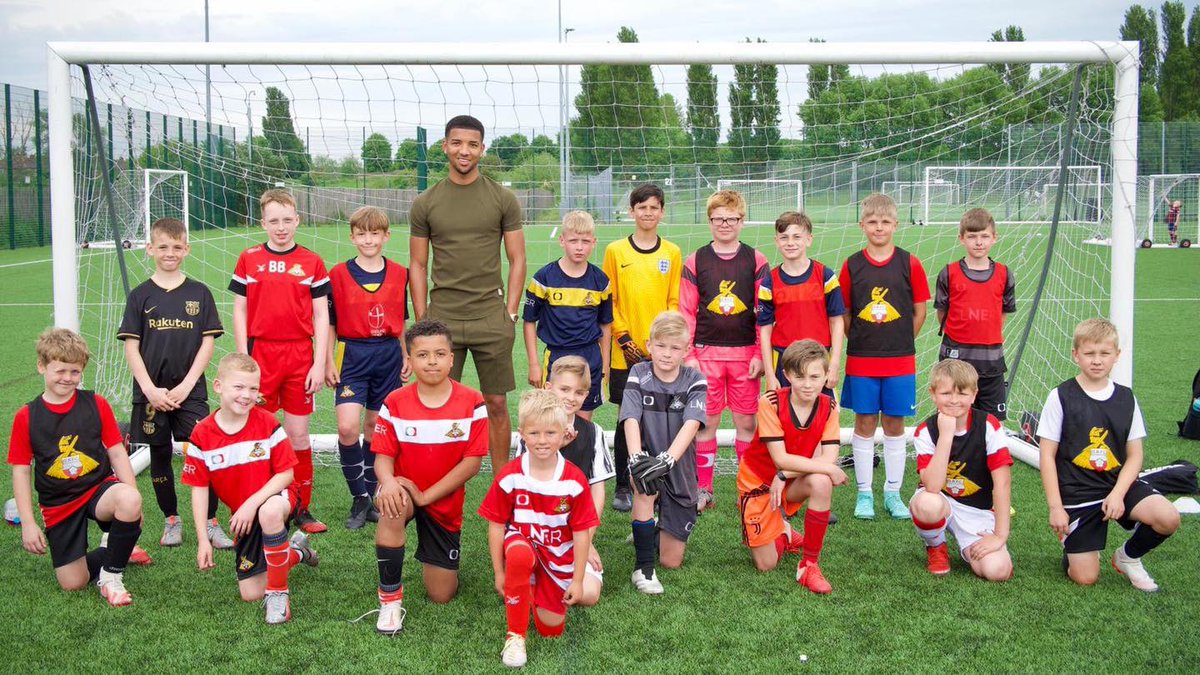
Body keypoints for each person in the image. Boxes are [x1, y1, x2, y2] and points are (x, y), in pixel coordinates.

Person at [409, 114, 526, 475]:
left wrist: (509, 312)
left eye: (472, 144)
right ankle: (443, 475)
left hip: (490, 316)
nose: (464, 150)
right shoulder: (425, 202)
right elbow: (417, 264)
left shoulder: (502, 198)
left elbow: (517, 258)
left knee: (495, 402)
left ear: (482, 149)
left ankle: (503, 480)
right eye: (457, 143)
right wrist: (422, 319)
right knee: (442, 403)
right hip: (441, 317)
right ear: (445, 146)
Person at [1037, 318, 1180, 591]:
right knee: (1085, 577)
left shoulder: (1126, 398)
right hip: (1078, 492)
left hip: (1117, 485)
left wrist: (1117, 493)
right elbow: (1046, 455)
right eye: (1089, 353)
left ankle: (1128, 556)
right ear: (1075, 355)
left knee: (1168, 517)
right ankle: (1074, 546)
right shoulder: (1061, 396)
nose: (1097, 360)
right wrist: (1056, 507)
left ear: (1117, 355)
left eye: (1104, 353)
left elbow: (1135, 455)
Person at [118, 217, 232, 550]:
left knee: (203, 453)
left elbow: (208, 344)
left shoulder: (199, 292)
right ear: (150, 248)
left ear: (187, 249)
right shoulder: (140, 296)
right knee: (160, 454)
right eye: (163, 247)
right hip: (150, 393)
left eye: (177, 247)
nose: (170, 253)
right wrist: (150, 389)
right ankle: (171, 519)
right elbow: (131, 347)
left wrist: (187, 385)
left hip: (190, 391)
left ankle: (210, 522)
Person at [9, 328, 145, 606]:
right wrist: (29, 523)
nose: (67, 378)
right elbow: (21, 470)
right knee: (74, 583)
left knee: (129, 498)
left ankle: (111, 577)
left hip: (98, 488)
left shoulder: (96, 404)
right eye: (60, 371)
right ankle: (117, 547)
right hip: (59, 502)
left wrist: (136, 501)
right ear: (41, 367)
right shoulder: (27, 416)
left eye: (74, 372)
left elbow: (118, 454)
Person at [369, 319, 488, 634]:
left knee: (441, 595)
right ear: (408, 360)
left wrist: (426, 496)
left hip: (443, 502)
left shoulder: (473, 401)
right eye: (422, 355)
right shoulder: (395, 403)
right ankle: (390, 602)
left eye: (439, 354)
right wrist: (390, 482)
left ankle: (443, 564)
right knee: (391, 505)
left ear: (452, 358)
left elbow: (472, 464)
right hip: (405, 492)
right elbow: (383, 459)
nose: (431, 361)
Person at [184, 353, 319, 624]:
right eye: (239, 387)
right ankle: (295, 552)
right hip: (245, 515)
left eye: (253, 388)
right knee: (250, 593)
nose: (247, 395)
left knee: (268, 513)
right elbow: (199, 489)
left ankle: (279, 594)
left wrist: (250, 505)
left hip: (276, 497)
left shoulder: (267, 422)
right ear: (218, 386)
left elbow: (286, 474)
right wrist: (202, 539)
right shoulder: (202, 435)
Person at [230, 188, 330, 533]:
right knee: (263, 432)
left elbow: (321, 315)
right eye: (274, 221)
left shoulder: (312, 261)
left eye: (288, 220)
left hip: (300, 355)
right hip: (261, 356)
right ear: (263, 223)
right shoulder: (249, 259)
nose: (281, 227)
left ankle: (301, 508)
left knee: (298, 435)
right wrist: (244, 356)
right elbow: (240, 309)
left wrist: (318, 363)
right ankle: (264, 503)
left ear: (298, 221)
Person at [479, 389, 600, 668]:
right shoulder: (510, 476)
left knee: (550, 630)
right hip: (523, 544)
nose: (542, 441)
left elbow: (582, 532)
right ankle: (515, 636)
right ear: (521, 433)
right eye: (534, 433)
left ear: (563, 434)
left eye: (550, 433)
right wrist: (499, 572)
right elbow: (496, 524)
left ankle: (527, 590)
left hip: (557, 557)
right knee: (520, 556)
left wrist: (578, 579)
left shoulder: (574, 480)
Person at [839, 193, 929, 521]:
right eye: (873, 222)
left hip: (900, 359)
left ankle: (892, 492)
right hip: (862, 358)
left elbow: (919, 311)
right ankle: (865, 493)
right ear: (862, 225)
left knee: (894, 423)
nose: (879, 228)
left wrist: (901, 339)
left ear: (895, 224)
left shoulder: (910, 262)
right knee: (863, 422)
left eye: (885, 222)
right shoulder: (852, 264)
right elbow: (845, 312)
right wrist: (862, 339)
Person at [681, 189, 769, 512]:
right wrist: (689, 354)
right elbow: (686, 311)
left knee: (747, 424)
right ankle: (704, 489)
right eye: (718, 219)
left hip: (746, 355)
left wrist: (760, 353)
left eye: (731, 219)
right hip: (706, 355)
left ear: (742, 221)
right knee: (706, 424)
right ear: (710, 221)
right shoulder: (696, 260)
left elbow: (764, 312)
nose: (725, 224)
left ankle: (746, 489)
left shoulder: (757, 260)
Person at [737, 340, 846, 593]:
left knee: (821, 481)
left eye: (814, 376)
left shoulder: (829, 407)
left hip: (789, 479)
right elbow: (780, 459)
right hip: (758, 481)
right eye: (799, 376)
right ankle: (783, 532)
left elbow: (827, 458)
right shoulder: (771, 402)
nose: (807, 384)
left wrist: (786, 474)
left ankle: (809, 565)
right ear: (786, 375)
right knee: (766, 565)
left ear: (826, 376)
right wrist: (786, 470)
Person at [325, 206, 410, 529]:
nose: (368, 239)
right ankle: (358, 496)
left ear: (386, 236)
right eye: (361, 233)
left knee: (376, 427)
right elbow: (330, 323)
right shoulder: (338, 273)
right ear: (352, 236)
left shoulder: (399, 272)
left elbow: (401, 320)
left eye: (375, 233)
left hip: (387, 354)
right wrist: (327, 359)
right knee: (348, 426)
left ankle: (371, 497)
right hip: (352, 353)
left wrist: (406, 354)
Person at [602, 184, 682, 512]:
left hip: (660, 352)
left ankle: (658, 478)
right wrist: (624, 339)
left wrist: (661, 343)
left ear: (662, 212)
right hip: (626, 353)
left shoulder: (672, 253)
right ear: (632, 211)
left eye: (654, 207)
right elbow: (611, 298)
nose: (647, 213)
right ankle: (624, 483)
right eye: (641, 207)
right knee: (628, 418)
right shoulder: (616, 251)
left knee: (660, 415)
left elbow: (673, 300)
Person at [620, 311, 707, 595]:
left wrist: (667, 460)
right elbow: (631, 418)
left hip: (679, 466)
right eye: (660, 346)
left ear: (687, 349)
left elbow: (692, 425)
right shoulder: (638, 373)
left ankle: (650, 529)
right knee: (644, 483)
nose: (667, 354)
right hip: (647, 460)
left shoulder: (695, 380)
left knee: (671, 561)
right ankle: (643, 569)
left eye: (674, 348)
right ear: (649, 344)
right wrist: (636, 459)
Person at [515, 355, 613, 604]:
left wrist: (587, 541)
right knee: (518, 585)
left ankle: (552, 583)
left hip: (575, 534)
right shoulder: (532, 432)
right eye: (564, 389)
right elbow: (522, 486)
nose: (571, 397)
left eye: (579, 392)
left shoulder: (594, 433)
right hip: (535, 529)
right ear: (549, 388)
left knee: (589, 594)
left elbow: (597, 491)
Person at [909, 359, 1013, 581]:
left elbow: (1002, 483)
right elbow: (933, 486)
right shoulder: (925, 431)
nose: (954, 400)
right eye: (946, 393)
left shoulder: (989, 426)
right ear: (933, 394)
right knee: (927, 504)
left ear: (974, 395)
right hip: (941, 500)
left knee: (998, 571)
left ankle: (977, 542)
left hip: (976, 508)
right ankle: (936, 546)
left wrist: (1000, 536)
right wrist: (946, 435)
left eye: (962, 393)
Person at [522, 210, 612, 421]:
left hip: (590, 357)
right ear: (562, 240)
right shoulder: (543, 278)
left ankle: (579, 455)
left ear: (594, 242)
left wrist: (605, 364)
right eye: (573, 240)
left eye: (585, 241)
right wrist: (534, 364)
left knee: (582, 421)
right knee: (552, 419)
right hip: (556, 356)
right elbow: (529, 322)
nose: (579, 247)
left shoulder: (600, 281)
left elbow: (605, 326)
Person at [935, 208, 1016, 421]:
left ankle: (987, 455)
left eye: (984, 236)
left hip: (991, 361)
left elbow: (1002, 313)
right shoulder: (948, 273)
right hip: (956, 359)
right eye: (972, 236)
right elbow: (942, 312)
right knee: (952, 416)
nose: (978, 242)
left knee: (991, 423)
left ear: (994, 238)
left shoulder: (1004, 274)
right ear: (961, 238)